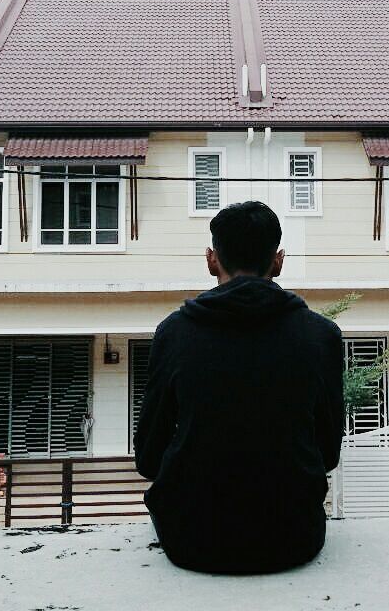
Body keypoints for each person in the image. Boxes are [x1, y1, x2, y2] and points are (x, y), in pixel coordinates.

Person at [134, 200, 344, 574]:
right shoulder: (321, 335)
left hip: (191, 540)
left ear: (211, 259)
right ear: (278, 261)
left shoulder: (175, 333)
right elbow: (327, 454)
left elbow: (148, 460)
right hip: (294, 538)